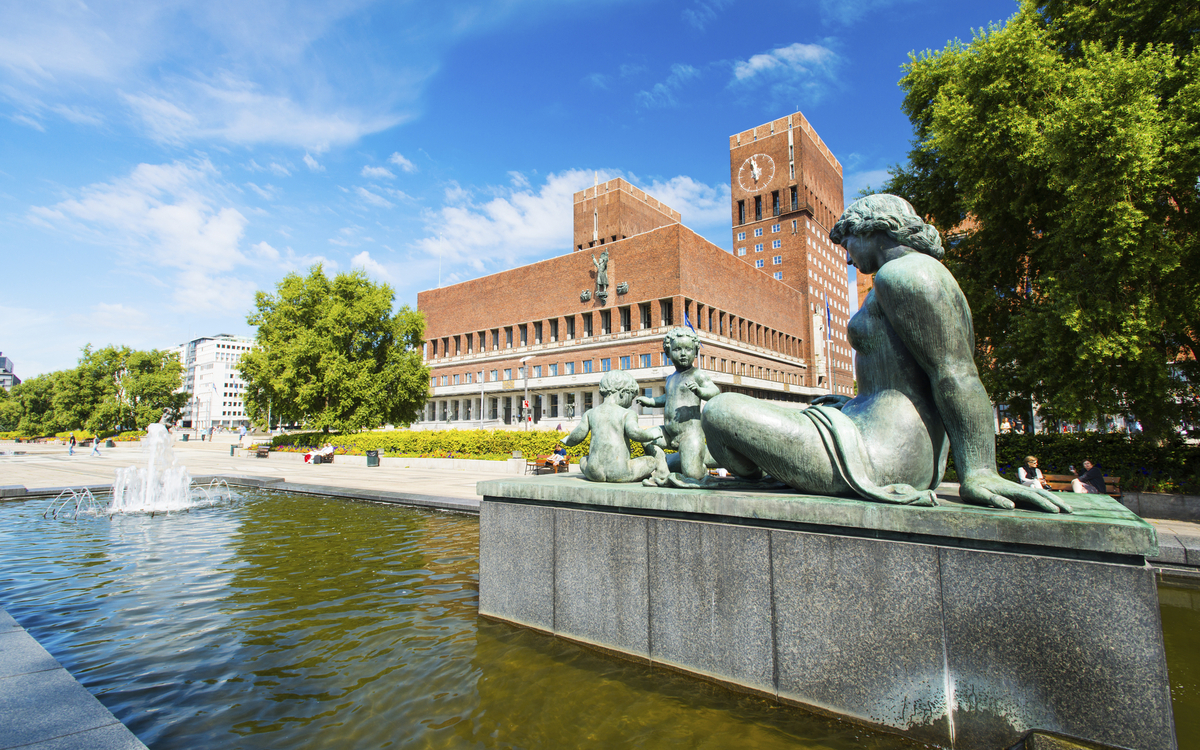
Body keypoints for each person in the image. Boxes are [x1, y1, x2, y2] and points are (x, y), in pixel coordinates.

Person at [700, 194, 1071, 513]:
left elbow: (955, 372)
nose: (846, 260)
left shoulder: (906, 274)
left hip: (881, 454)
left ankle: (749, 473)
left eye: (848, 245)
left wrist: (979, 471)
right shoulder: (911, 274)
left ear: (873, 231)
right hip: (871, 434)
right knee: (744, 418)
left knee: (720, 410)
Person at [636, 327, 720, 484]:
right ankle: (662, 470)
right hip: (668, 433)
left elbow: (714, 391)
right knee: (646, 437)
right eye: (677, 349)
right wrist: (650, 401)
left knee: (693, 475)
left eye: (688, 349)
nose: (683, 354)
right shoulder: (670, 378)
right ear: (668, 353)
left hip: (690, 434)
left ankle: (702, 460)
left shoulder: (697, 374)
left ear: (695, 352)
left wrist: (700, 391)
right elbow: (666, 398)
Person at [564, 370, 667, 483]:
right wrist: (652, 434)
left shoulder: (590, 413)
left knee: (583, 460)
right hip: (621, 472)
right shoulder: (627, 413)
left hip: (594, 472)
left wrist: (567, 440)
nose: (630, 402)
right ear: (623, 393)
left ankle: (596, 471)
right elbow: (635, 433)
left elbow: (578, 434)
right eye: (631, 397)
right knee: (651, 461)